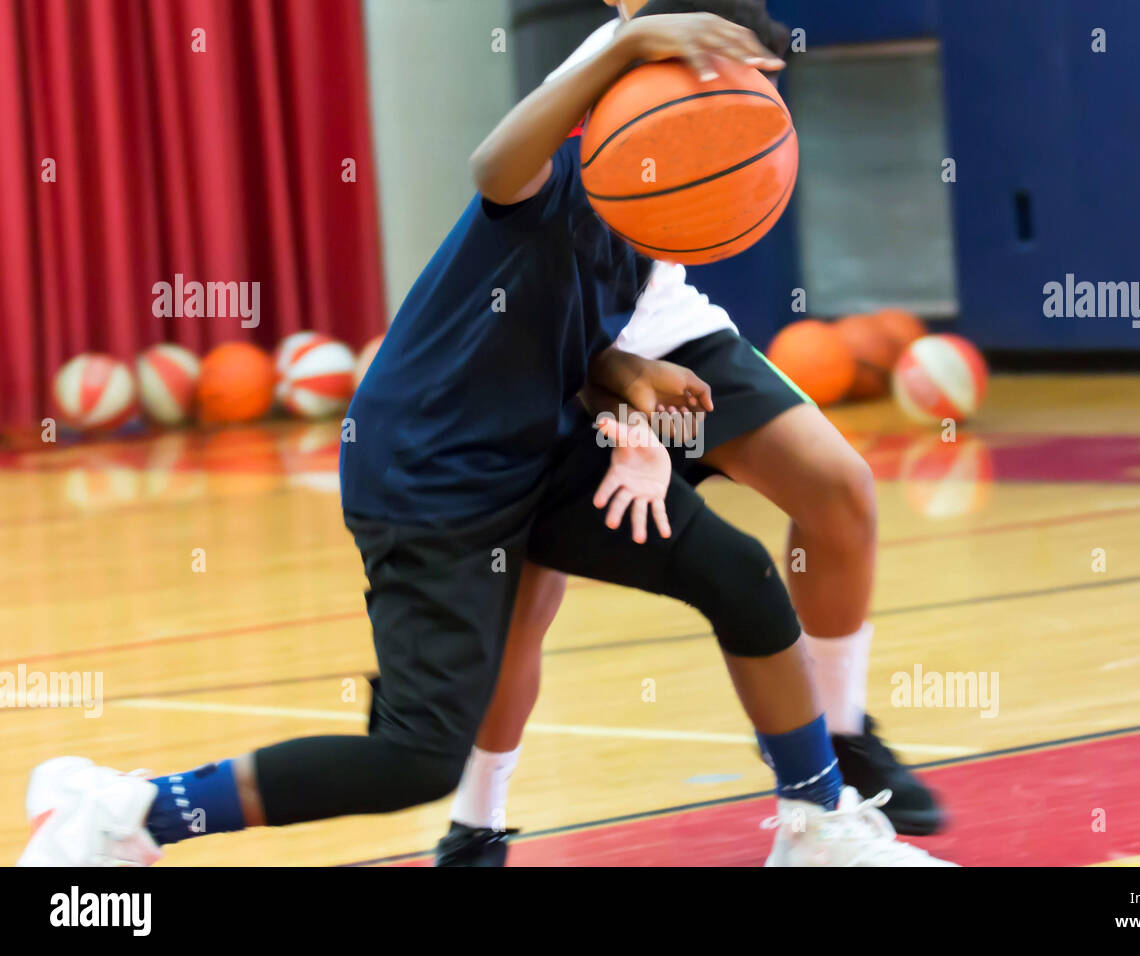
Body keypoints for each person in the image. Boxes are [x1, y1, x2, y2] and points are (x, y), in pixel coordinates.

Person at [16, 3, 949, 868]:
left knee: (740, 577)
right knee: (414, 757)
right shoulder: (551, 181)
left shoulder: (646, 220)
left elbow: (567, 339)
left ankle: (818, 826)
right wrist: (626, 45)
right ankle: (124, 811)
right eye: (729, 97)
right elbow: (492, 167)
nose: (751, 126)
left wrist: (626, 386)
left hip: (539, 458)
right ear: (649, 95)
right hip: (431, 475)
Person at [434, 0, 945, 868]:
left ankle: (841, 739)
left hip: (668, 329)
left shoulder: (719, 33)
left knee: (840, 488)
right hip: (567, 349)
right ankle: (476, 825)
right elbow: (495, 170)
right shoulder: (613, 51)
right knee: (525, 600)